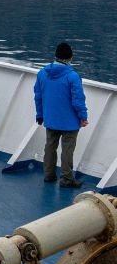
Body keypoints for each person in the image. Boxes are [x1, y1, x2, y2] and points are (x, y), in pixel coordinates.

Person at [35, 42, 89, 188]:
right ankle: (66, 179)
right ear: (70, 57)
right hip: (70, 122)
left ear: (56, 56)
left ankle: (49, 175)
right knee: (67, 150)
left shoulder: (42, 74)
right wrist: (83, 117)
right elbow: (78, 100)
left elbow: (38, 96)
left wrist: (40, 115)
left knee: (50, 146)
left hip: (51, 118)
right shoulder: (72, 76)